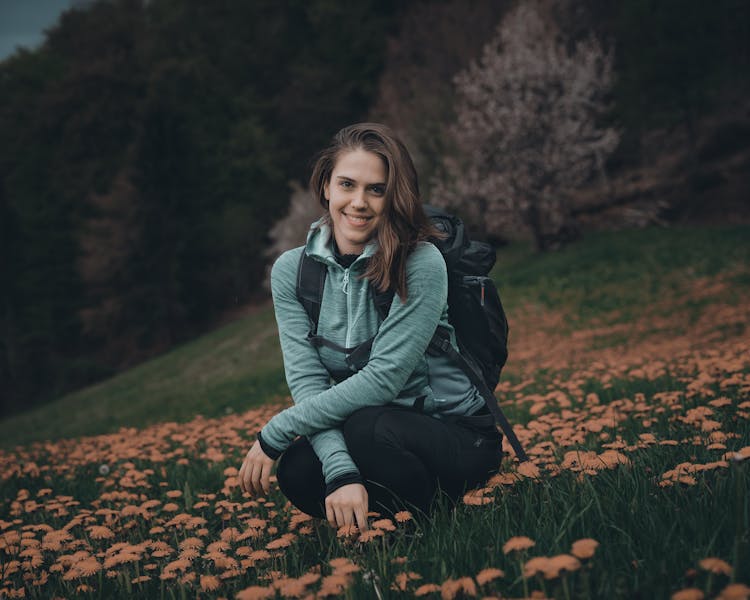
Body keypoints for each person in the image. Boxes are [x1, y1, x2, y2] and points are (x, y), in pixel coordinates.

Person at [238, 123, 502, 532]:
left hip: (455, 435)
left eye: (376, 189)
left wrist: (275, 430)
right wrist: (341, 472)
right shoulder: (291, 272)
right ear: (326, 186)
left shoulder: (420, 262)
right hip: (371, 431)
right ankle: (380, 520)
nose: (359, 202)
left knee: (367, 428)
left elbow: (383, 381)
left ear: (393, 197)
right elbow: (310, 384)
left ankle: (429, 520)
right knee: (298, 471)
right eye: (347, 184)